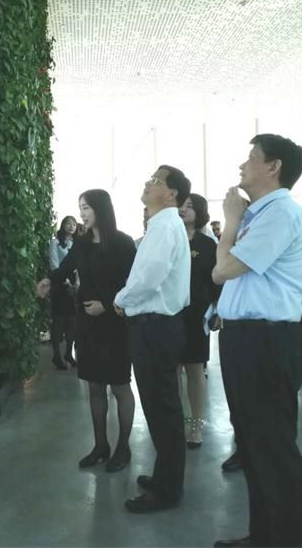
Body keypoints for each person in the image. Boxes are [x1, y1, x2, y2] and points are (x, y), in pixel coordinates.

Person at [212, 134, 302, 548]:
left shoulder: (280, 213)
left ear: (273, 167)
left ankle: (286, 540)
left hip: (266, 343)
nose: (242, 165)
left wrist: (230, 221)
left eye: (251, 157)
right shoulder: (263, 214)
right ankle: (264, 536)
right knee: (253, 445)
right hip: (246, 339)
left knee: (273, 449)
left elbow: (223, 271)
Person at [38, 190, 137, 473]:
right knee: (94, 386)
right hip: (88, 323)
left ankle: (123, 448)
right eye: (80, 208)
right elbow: (64, 269)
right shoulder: (81, 243)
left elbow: (134, 282)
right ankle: (100, 446)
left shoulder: (123, 243)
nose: (81, 214)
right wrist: (48, 281)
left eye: (86, 208)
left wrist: (106, 304)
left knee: (119, 386)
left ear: (101, 209)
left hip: (115, 322)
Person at [113, 165, 191, 513]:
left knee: (163, 410)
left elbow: (150, 276)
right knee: (161, 408)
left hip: (156, 327)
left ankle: (168, 489)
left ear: (171, 193)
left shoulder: (165, 226)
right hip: (155, 326)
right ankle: (165, 477)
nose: (148, 183)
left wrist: (121, 299)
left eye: (156, 180)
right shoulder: (162, 224)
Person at [177, 193, 222, 449]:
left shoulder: (207, 244)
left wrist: (217, 311)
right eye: (182, 205)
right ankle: (174, 421)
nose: (184, 209)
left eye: (190, 206)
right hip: (170, 313)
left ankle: (196, 424)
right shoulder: (169, 238)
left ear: (200, 212)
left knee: (195, 369)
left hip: (197, 314)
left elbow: (216, 281)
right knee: (172, 369)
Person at [48, 216, 78, 370]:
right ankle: (57, 356)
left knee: (72, 321)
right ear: (62, 225)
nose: (71, 226)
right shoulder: (55, 242)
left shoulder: (76, 244)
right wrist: (65, 281)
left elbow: (78, 266)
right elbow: (54, 265)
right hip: (59, 283)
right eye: (68, 223)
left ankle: (68, 354)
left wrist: (77, 282)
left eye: (74, 224)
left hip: (73, 285)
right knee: (59, 321)